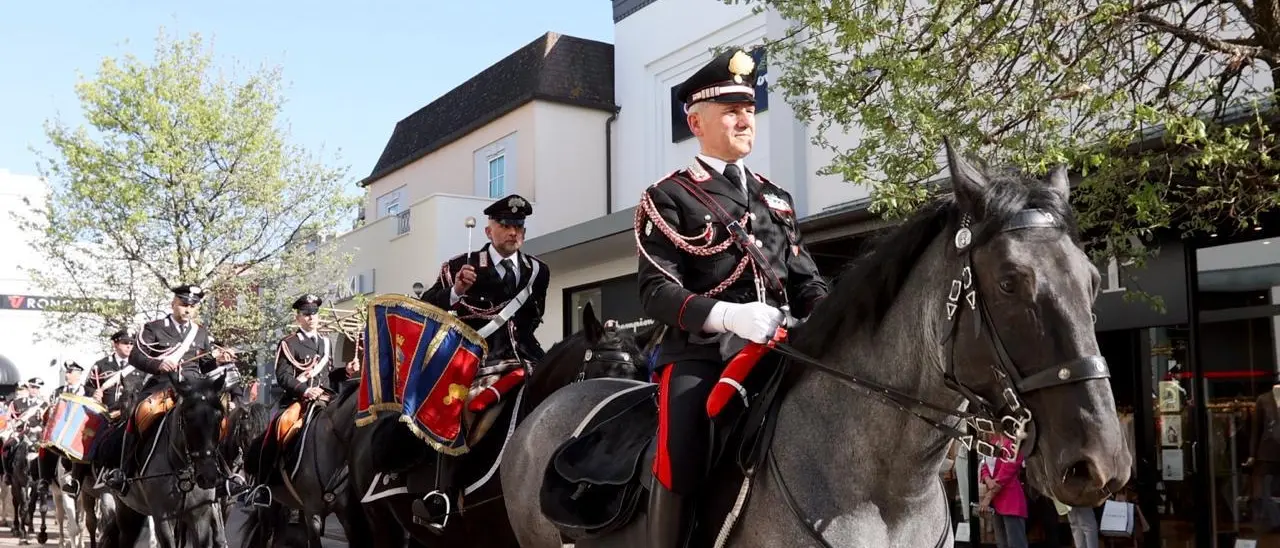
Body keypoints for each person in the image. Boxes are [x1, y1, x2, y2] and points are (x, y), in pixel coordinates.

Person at [634, 47, 829, 548]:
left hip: (782, 347)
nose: (745, 121)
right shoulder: (670, 196)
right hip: (702, 354)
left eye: (748, 110)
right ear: (696, 122)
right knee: (682, 451)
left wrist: (829, 318)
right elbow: (655, 292)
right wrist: (728, 315)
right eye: (731, 112)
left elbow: (805, 280)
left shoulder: (774, 197)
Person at [414, 193, 551, 530]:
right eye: (505, 225)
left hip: (525, 356)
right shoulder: (461, 266)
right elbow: (429, 307)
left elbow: (532, 320)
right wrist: (456, 292)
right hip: (477, 360)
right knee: (459, 410)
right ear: (489, 230)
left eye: (519, 226)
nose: (513, 232)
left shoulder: (538, 271)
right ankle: (443, 493)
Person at [99, 284, 237, 495]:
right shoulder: (154, 328)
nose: (187, 309)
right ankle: (124, 471)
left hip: (193, 388)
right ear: (174, 303)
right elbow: (136, 357)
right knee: (140, 414)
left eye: (192, 306)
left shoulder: (200, 333)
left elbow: (204, 365)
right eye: (183, 304)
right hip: (162, 385)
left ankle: (223, 472)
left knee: (217, 417)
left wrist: (217, 361)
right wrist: (158, 365)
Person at [245, 294, 334, 506]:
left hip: (325, 397)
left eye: (314, 313)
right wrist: (305, 390)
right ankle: (263, 484)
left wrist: (347, 372)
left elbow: (328, 375)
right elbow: (283, 376)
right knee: (279, 427)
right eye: (306, 314)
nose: (311, 318)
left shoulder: (326, 342)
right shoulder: (289, 343)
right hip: (298, 400)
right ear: (298, 318)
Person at [978, 436, 1030, 548]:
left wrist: (989, 495)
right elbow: (984, 464)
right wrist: (988, 480)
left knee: (1016, 544)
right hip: (996, 501)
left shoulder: (1013, 442)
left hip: (1010, 500)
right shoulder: (992, 441)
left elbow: (1008, 469)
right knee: (1001, 543)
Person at [89, 329, 146, 414]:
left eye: (132, 343)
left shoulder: (141, 366)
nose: (129, 346)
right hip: (105, 414)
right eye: (125, 343)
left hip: (130, 416)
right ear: (115, 344)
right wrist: (94, 394)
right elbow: (88, 387)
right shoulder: (100, 365)